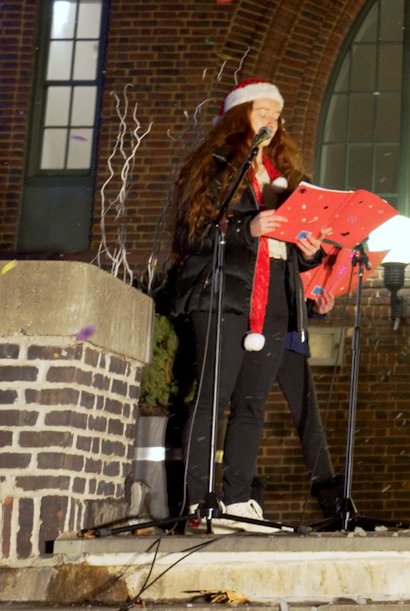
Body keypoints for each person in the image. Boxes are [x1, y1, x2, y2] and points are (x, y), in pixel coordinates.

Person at [169, 78, 343, 530]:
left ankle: (238, 499)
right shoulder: (214, 166)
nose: (273, 120)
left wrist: (312, 251)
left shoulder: (283, 179)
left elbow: (292, 246)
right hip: (225, 297)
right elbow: (189, 237)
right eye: (262, 111)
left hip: (275, 305)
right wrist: (247, 229)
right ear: (238, 115)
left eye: (276, 114)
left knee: (251, 405)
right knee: (212, 398)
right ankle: (200, 500)